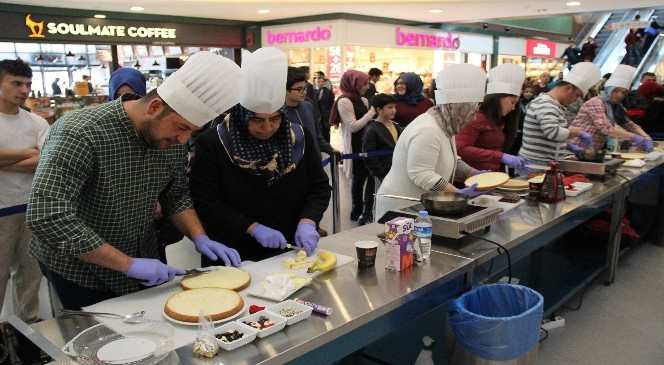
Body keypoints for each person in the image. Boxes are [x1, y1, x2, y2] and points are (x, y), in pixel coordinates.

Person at [26, 52, 244, 310]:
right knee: (99, 338)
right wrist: (127, 264)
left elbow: (176, 195)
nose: (184, 140)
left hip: (141, 250)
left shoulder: (170, 139)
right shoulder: (80, 131)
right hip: (80, 266)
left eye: (191, 132)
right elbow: (47, 215)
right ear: (154, 108)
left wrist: (200, 237)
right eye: (182, 127)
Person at [189, 48, 330, 262]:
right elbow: (205, 201)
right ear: (240, 115)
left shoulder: (298, 137)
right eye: (256, 120)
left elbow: (319, 187)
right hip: (232, 249)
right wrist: (252, 228)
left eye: (275, 119)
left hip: (290, 246)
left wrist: (308, 221)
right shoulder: (214, 143)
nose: (267, 128)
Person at [375, 64, 487, 219]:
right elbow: (421, 173)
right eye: (471, 111)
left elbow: (451, 159)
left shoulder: (446, 125)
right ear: (459, 109)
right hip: (399, 207)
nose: (473, 117)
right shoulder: (428, 129)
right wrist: (456, 193)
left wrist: (473, 174)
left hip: (418, 206)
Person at [0, 59, 49, 323]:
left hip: (32, 208)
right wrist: (27, 153)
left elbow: (47, 159)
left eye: (28, 84)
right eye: (16, 83)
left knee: (31, 273)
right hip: (1, 208)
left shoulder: (36, 122)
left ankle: (28, 326)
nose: (24, 90)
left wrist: (5, 161)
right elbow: (37, 156)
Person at [518, 62, 600, 165]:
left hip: (545, 162)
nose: (576, 100)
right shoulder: (546, 103)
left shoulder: (554, 104)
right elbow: (552, 132)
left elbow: (546, 135)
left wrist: (567, 146)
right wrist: (576, 132)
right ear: (569, 88)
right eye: (577, 95)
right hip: (537, 164)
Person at [456, 64, 526, 172]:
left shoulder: (499, 120)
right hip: (469, 177)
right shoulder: (476, 117)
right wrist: (500, 156)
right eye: (512, 102)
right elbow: (460, 148)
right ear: (498, 98)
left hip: (490, 176)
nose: (513, 108)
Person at [570, 65, 652, 152]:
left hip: (591, 150)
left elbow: (629, 124)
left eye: (623, 92)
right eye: (616, 91)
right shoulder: (596, 102)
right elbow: (606, 128)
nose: (620, 95)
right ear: (608, 90)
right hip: (576, 146)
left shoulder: (616, 106)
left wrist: (646, 137)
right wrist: (634, 137)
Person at [329, 70, 376, 222]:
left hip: (367, 145)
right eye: (364, 83)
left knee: (369, 178)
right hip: (355, 147)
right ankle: (356, 209)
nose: (367, 87)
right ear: (354, 83)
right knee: (358, 179)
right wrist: (370, 114)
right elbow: (353, 126)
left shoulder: (363, 100)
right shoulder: (344, 101)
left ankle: (367, 210)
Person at [361, 94, 402, 224]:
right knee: (377, 201)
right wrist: (380, 174)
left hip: (395, 172)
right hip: (380, 175)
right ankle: (372, 220)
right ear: (378, 110)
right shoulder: (372, 129)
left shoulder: (395, 126)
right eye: (389, 107)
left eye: (394, 107)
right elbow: (369, 157)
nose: (393, 110)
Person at [284, 67, 336, 157]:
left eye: (305, 88)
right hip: (294, 164)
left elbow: (317, 135)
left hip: (314, 160)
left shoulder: (308, 106)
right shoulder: (279, 113)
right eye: (299, 89)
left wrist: (330, 149)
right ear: (285, 89)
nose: (304, 92)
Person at [314, 71, 335, 142]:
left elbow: (332, 106)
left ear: (324, 80)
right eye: (316, 78)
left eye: (320, 78)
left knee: (326, 138)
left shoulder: (328, 92)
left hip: (325, 120)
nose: (318, 80)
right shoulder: (312, 91)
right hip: (316, 120)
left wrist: (331, 118)